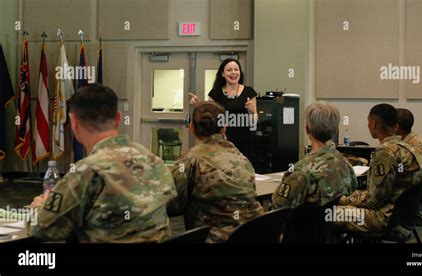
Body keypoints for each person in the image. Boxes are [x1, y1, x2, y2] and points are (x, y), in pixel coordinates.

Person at [28, 83, 177, 243]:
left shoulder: (87, 171)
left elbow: (41, 228)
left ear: (74, 122)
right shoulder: (152, 159)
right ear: (118, 118)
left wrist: (39, 206)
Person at [167, 102, 264, 243]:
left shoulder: (190, 159)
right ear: (224, 128)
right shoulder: (241, 157)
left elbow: (170, 203)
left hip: (214, 238)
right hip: (255, 235)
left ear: (191, 127)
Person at [334, 104, 422, 237]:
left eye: (368, 122)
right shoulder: (410, 148)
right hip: (404, 217)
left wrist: (341, 199)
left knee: (329, 213)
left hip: (385, 219)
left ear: (373, 124)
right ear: (395, 126)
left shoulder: (386, 152)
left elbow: (373, 201)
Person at [272, 101, 357, 209]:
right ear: (335, 130)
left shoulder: (300, 171)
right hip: (335, 223)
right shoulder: (345, 164)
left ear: (307, 129)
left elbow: (279, 204)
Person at [189, 58, 258, 162]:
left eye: (236, 69)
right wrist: (200, 105)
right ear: (222, 74)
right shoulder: (215, 93)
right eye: (229, 70)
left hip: (243, 142)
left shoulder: (249, 92)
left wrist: (253, 112)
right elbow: (209, 118)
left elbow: (254, 123)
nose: (234, 72)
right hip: (220, 143)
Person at [396, 108, 422, 225]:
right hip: (417, 201)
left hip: (410, 203)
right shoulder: (421, 142)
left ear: (396, 127)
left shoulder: (411, 150)